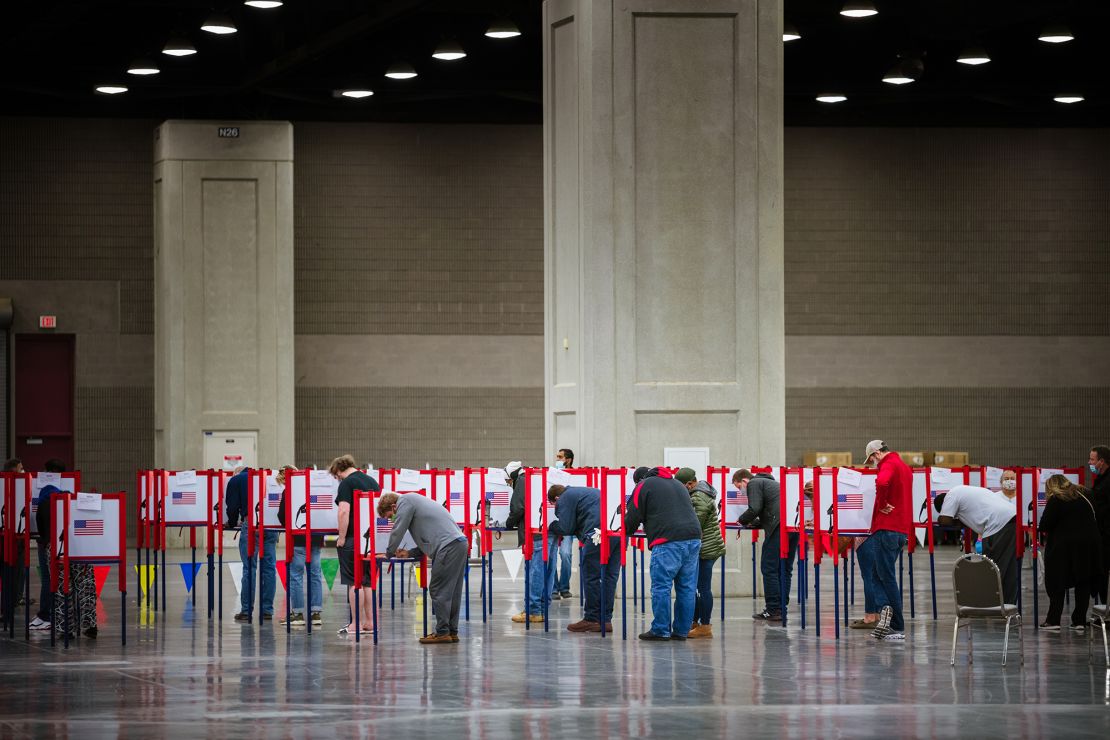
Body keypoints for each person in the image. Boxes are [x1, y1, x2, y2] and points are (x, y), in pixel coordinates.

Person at [378, 491, 469, 644]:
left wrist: (388, 553)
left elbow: (398, 530)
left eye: (389, 516)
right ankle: (451, 631)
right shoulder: (416, 503)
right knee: (452, 591)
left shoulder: (405, 502)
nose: (391, 520)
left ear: (394, 507)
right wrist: (409, 553)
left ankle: (442, 632)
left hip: (448, 547)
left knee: (437, 588)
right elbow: (429, 538)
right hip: (458, 543)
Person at [624, 466, 702, 641]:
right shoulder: (678, 484)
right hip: (694, 537)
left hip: (668, 540)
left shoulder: (643, 485)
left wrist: (626, 533)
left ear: (638, 480)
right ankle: (681, 631)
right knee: (687, 588)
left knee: (661, 586)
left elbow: (633, 515)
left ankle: (660, 630)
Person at [34, 459, 97, 639]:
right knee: (85, 586)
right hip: (78, 547)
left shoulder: (43, 501)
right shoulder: (72, 498)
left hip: (56, 550)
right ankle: (90, 624)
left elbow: (41, 529)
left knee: (62, 590)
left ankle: (66, 629)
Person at [857, 440, 912, 641]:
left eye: (871, 458)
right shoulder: (904, 467)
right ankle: (886, 610)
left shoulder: (888, 464)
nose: (872, 463)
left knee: (883, 576)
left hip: (887, 528)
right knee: (879, 573)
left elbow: (881, 482)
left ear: (877, 453)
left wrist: (881, 504)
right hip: (900, 530)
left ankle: (895, 623)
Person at [547, 483, 619, 633]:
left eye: (554, 505)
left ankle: (592, 619)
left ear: (556, 498)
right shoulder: (585, 492)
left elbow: (565, 527)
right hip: (616, 533)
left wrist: (551, 525)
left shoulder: (564, 498)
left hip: (596, 535)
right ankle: (605, 620)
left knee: (591, 576)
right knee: (609, 577)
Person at [934, 485, 1020, 604]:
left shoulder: (951, 495)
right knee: (1010, 569)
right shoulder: (965, 492)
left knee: (993, 569)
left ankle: (994, 606)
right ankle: (1008, 606)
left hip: (998, 525)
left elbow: (945, 520)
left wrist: (938, 519)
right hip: (1014, 518)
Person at [1039, 474, 1102, 631]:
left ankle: (1053, 621)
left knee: (1057, 581)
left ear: (1052, 487)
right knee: (1083, 580)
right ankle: (1079, 621)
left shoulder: (1056, 499)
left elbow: (1045, 524)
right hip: (1088, 545)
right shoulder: (1084, 495)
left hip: (1062, 546)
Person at [736, 468, 798, 621]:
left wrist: (741, 520)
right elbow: (768, 511)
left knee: (769, 567)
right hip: (792, 526)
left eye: (739, 487)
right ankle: (780, 607)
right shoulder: (771, 483)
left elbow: (755, 508)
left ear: (744, 481)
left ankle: (773, 609)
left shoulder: (754, 483)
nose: (741, 491)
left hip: (778, 527)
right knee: (784, 569)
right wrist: (755, 523)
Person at [331, 454, 380, 636]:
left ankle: (355, 624)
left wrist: (341, 537)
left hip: (352, 538)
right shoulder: (372, 481)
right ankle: (369, 622)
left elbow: (344, 511)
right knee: (367, 582)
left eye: (336, 477)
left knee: (354, 582)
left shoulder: (347, 483)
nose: (338, 480)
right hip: (369, 540)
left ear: (338, 470)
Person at [504, 461, 558, 623]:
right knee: (548, 571)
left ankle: (533, 610)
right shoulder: (539, 478)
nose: (509, 485)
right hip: (551, 530)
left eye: (508, 482)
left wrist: (508, 523)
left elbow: (518, 507)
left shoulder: (522, 480)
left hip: (536, 533)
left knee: (536, 572)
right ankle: (542, 609)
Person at [225, 466, 279, 623]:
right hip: (271, 525)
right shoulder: (270, 478)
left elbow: (232, 507)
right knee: (269, 568)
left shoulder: (236, 480)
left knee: (249, 568)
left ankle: (246, 611)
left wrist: (233, 522)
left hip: (251, 524)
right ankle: (267, 610)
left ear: (236, 473)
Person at [676, 468, 725, 639]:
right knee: (697, 587)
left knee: (703, 588)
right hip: (707, 546)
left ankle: (705, 625)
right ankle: (695, 622)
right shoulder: (700, 493)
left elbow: (695, 524)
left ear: (689, 484)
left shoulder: (698, 497)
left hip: (707, 548)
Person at [275, 466, 323, 628]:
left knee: (296, 575)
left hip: (297, 538)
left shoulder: (289, 492)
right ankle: (316, 613)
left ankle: (297, 614)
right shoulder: (314, 489)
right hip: (316, 538)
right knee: (315, 574)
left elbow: (282, 516)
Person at [1, 458, 26, 630]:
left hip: (12, 540)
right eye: (21, 468)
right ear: (13, 471)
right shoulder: (18, 488)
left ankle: (7, 609)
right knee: (10, 577)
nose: (24, 471)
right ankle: (7, 610)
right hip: (10, 542)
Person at [552, 448, 576, 601]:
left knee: (566, 554)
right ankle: (553, 588)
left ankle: (564, 587)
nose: (558, 459)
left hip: (569, 522)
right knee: (552, 555)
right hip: (554, 520)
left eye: (560, 457)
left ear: (568, 460)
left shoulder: (577, 475)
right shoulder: (553, 474)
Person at [1088, 445, 1110, 604]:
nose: (1090, 462)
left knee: (1103, 573)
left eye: (1092, 459)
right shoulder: (1101, 479)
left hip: (1107, 535)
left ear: (1101, 461)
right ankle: (1103, 609)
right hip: (1101, 534)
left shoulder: (1107, 482)